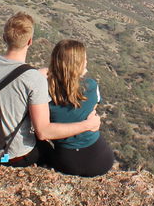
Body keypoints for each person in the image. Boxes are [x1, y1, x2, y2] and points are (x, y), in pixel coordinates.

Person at [0, 13, 99, 167]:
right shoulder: (34, 79)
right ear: (30, 41)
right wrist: (87, 125)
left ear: (4, 37)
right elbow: (43, 131)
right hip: (13, 155)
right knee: (54, 155)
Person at [44, 39, 115, 177]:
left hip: (65, 161)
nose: (87, 62)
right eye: (84, 59)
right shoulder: (91, 86)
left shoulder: (45, 92)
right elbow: (93, 110)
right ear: (77, 64)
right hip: (100, 159)